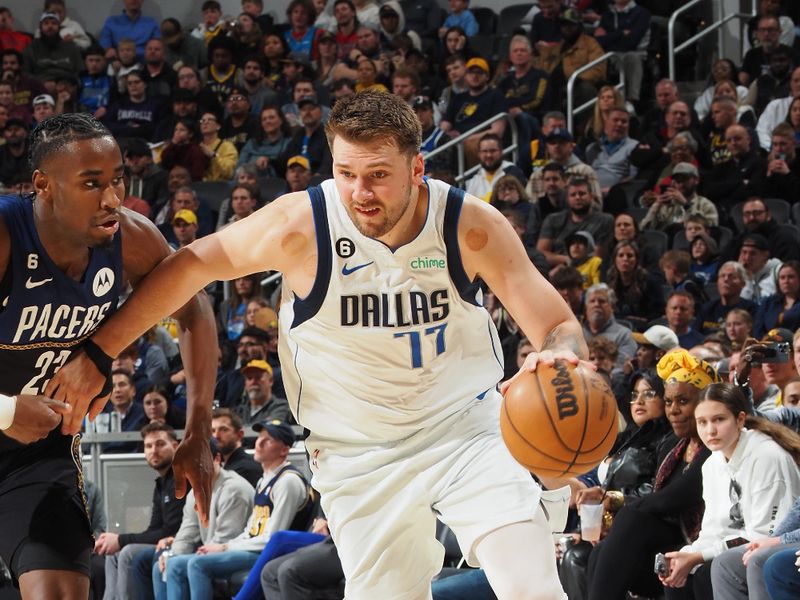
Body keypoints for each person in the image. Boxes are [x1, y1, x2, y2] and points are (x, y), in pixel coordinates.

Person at [49, 90, 592, 600]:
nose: (360, 193)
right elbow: (191, 265)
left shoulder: (469, 225)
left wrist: (560, 355)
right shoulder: (301, 224)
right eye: (346, 173)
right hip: (358, 452)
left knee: (530, 583)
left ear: (417, 168)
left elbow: (558, 326)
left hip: (464, 428)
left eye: (378, 175)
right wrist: (99, 352)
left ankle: (540, 496)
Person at [0, 114, 216, 600]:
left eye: (116, 179)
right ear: (43, 185)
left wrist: (198, 429)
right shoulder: (5, 235)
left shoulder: (131, 238)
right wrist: (7, 409)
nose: (112, 198)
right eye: (91, 183)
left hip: (36, 454)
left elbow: (195, 311)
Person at [586, 349, 719, 600]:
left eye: (683, 401)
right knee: (600, 550)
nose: (673, 410)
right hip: (671, 537)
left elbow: (678, 497)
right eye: (669, 402)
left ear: (704, 403)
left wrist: (623, 507)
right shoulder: (672, 446)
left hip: (706, 540)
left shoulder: (714, 445)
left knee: (633, 518)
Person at [658, 383, 800, 599]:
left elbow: (765, 534)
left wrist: (699, 557)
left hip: (773, 543)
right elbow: (713, 530)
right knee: (678, 575)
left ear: (740, 419)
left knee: (709, 570)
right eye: (702, 422)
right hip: (738, 546)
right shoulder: (711, 463)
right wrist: (688, 556)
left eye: (719, 420)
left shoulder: (767, 457)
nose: (710, 430)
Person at [96, 422, 186, 600]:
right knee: (112, 555)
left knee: (128, 552)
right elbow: (153, 530)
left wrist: (121, 540)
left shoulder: (181, 479)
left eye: (160, 444)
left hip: (180, 542)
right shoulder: (161, 483)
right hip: (164, 540)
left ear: (175, 446)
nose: (154, 450)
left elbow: (170, 531)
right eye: (148, 446)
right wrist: (117, 540)